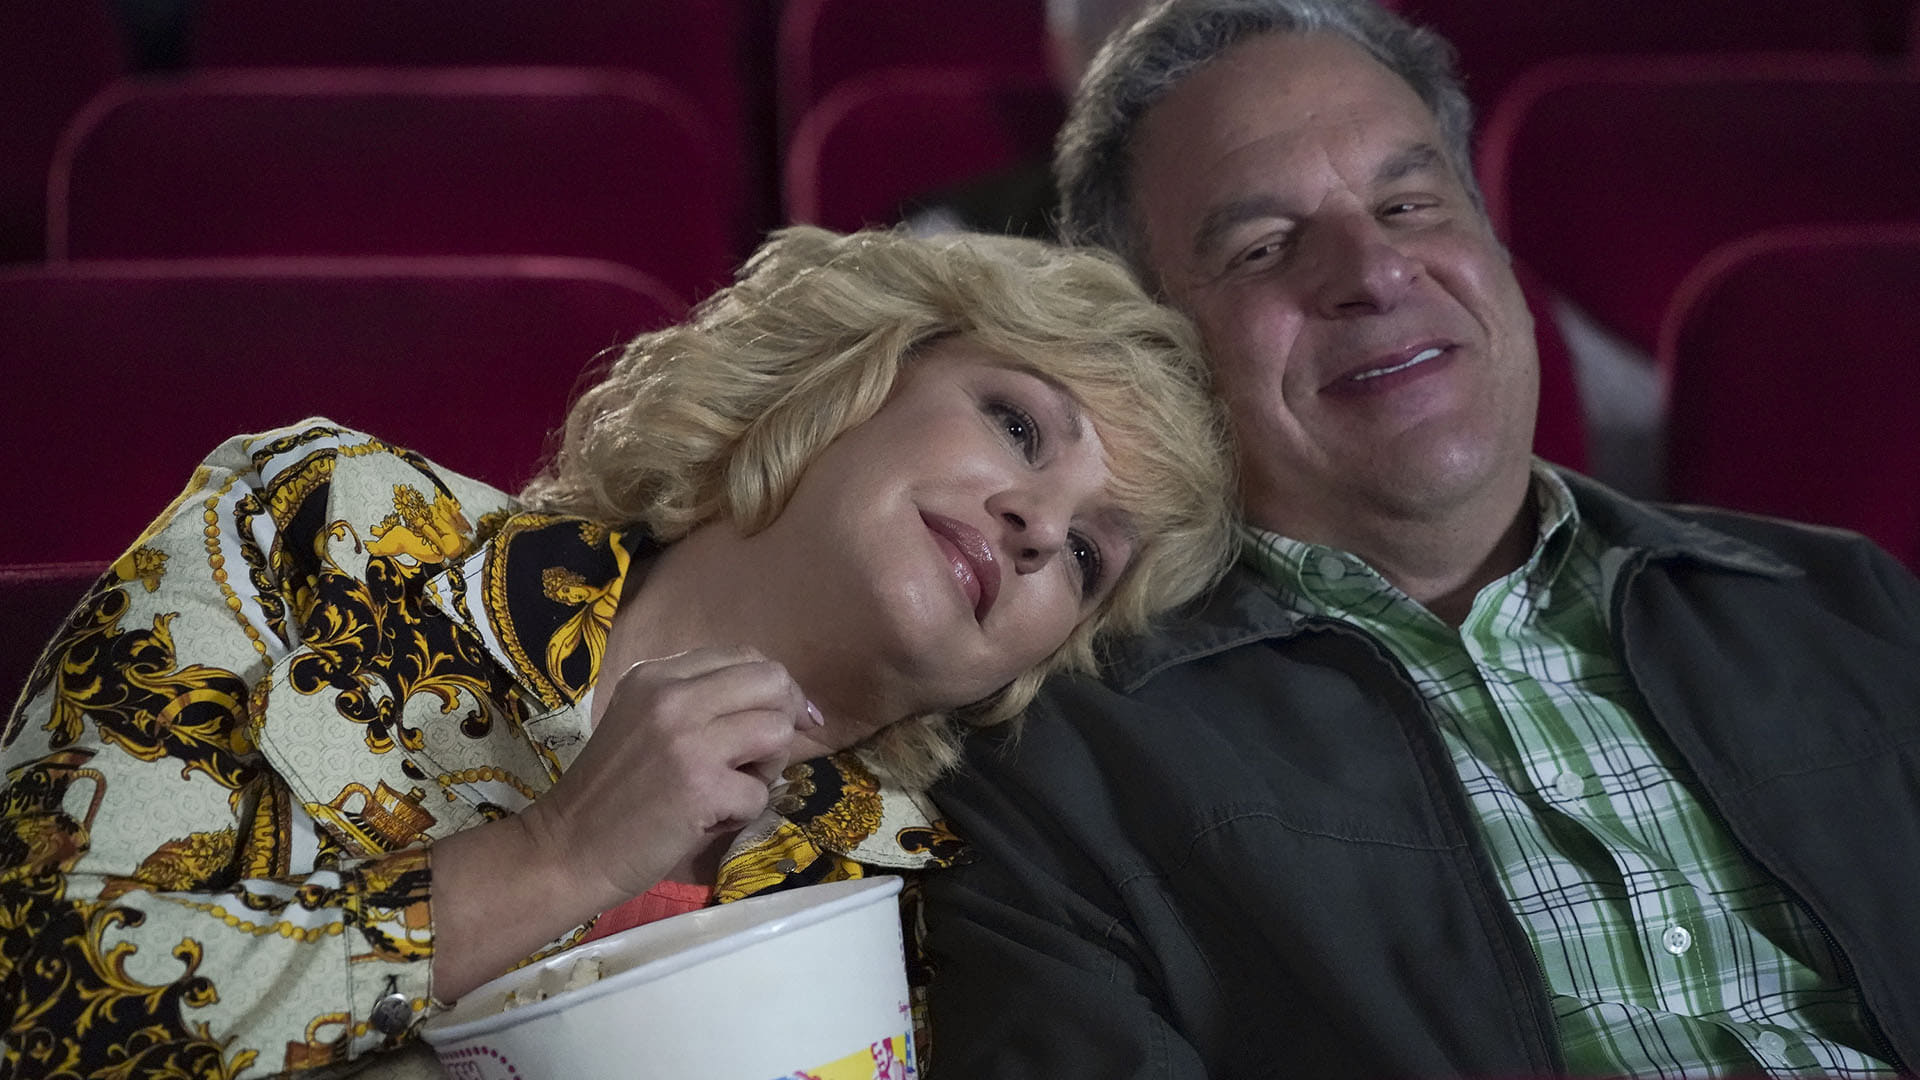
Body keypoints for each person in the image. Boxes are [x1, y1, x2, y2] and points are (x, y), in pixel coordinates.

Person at [920, 1, 1920, 1077]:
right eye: (1265, 247)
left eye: (1408, 204)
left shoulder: (1845, 601)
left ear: (1495, 250)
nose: (1376, 270)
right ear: (1156, 357)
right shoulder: (1064, 763)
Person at [0, 225, 1236, 1078]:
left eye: (1089, 556)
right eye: (1017, 425)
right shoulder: (326, 526)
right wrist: (556, 856)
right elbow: (32, 999)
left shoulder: (955, 892)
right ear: (856, 375)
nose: (1039, 527)